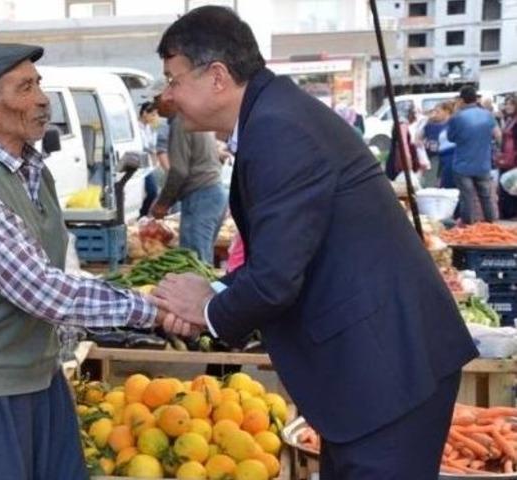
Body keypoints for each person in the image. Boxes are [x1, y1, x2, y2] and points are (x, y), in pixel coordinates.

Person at [151, 7, 477, 479]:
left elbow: (275, 279)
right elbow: (288, 252)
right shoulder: (273, 115)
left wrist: (207, 310)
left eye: (173, 80)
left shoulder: (277, 128)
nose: (168, 96)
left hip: (388, 371)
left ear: (217, 76)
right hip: (370, 371)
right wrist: (215, 297)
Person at [0, 43, 165, 480]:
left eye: (38, 83)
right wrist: (154, 309)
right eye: (25, 87)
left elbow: (56, 268)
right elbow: (41, 289)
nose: (42, 98)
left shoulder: (33, 172)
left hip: (36, 379)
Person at [150, 94, 227, 263]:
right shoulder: (193, 117)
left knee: (194, 261)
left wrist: (163, 203)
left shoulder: (180, 122)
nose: (155, 106)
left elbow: (178, 171)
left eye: (157, 100)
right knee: (200, 260)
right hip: (211, 194)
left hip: (201, 196)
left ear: (170, 99)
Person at [448, 86, 502, 224]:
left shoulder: (457, 117)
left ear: (461, 100)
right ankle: (492, 226)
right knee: (486, 197)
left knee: (467, 198)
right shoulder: (487, 115)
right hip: (483, 164)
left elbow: (451, 138)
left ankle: (469, 229)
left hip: (462, 165)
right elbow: (498, 136)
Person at [139, 101, 161, 216]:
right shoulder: (138, 128)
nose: (154, 118)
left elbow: (153, 144)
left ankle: (142, 214)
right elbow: (145, 146)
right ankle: (142, 214)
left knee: (152, 191)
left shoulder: (149, 128)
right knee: (152, 191)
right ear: (144, 114)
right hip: (142, 164)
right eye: (152, 114)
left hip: (149, 165)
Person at [497, 96, 517, 219]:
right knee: (505, 184)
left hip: (514, 158)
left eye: (511, 104)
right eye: (506, 104)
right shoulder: (509, 120)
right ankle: (507, 212)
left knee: (513, 184)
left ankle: (513, 212)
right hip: (505, 158)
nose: (508, 106)